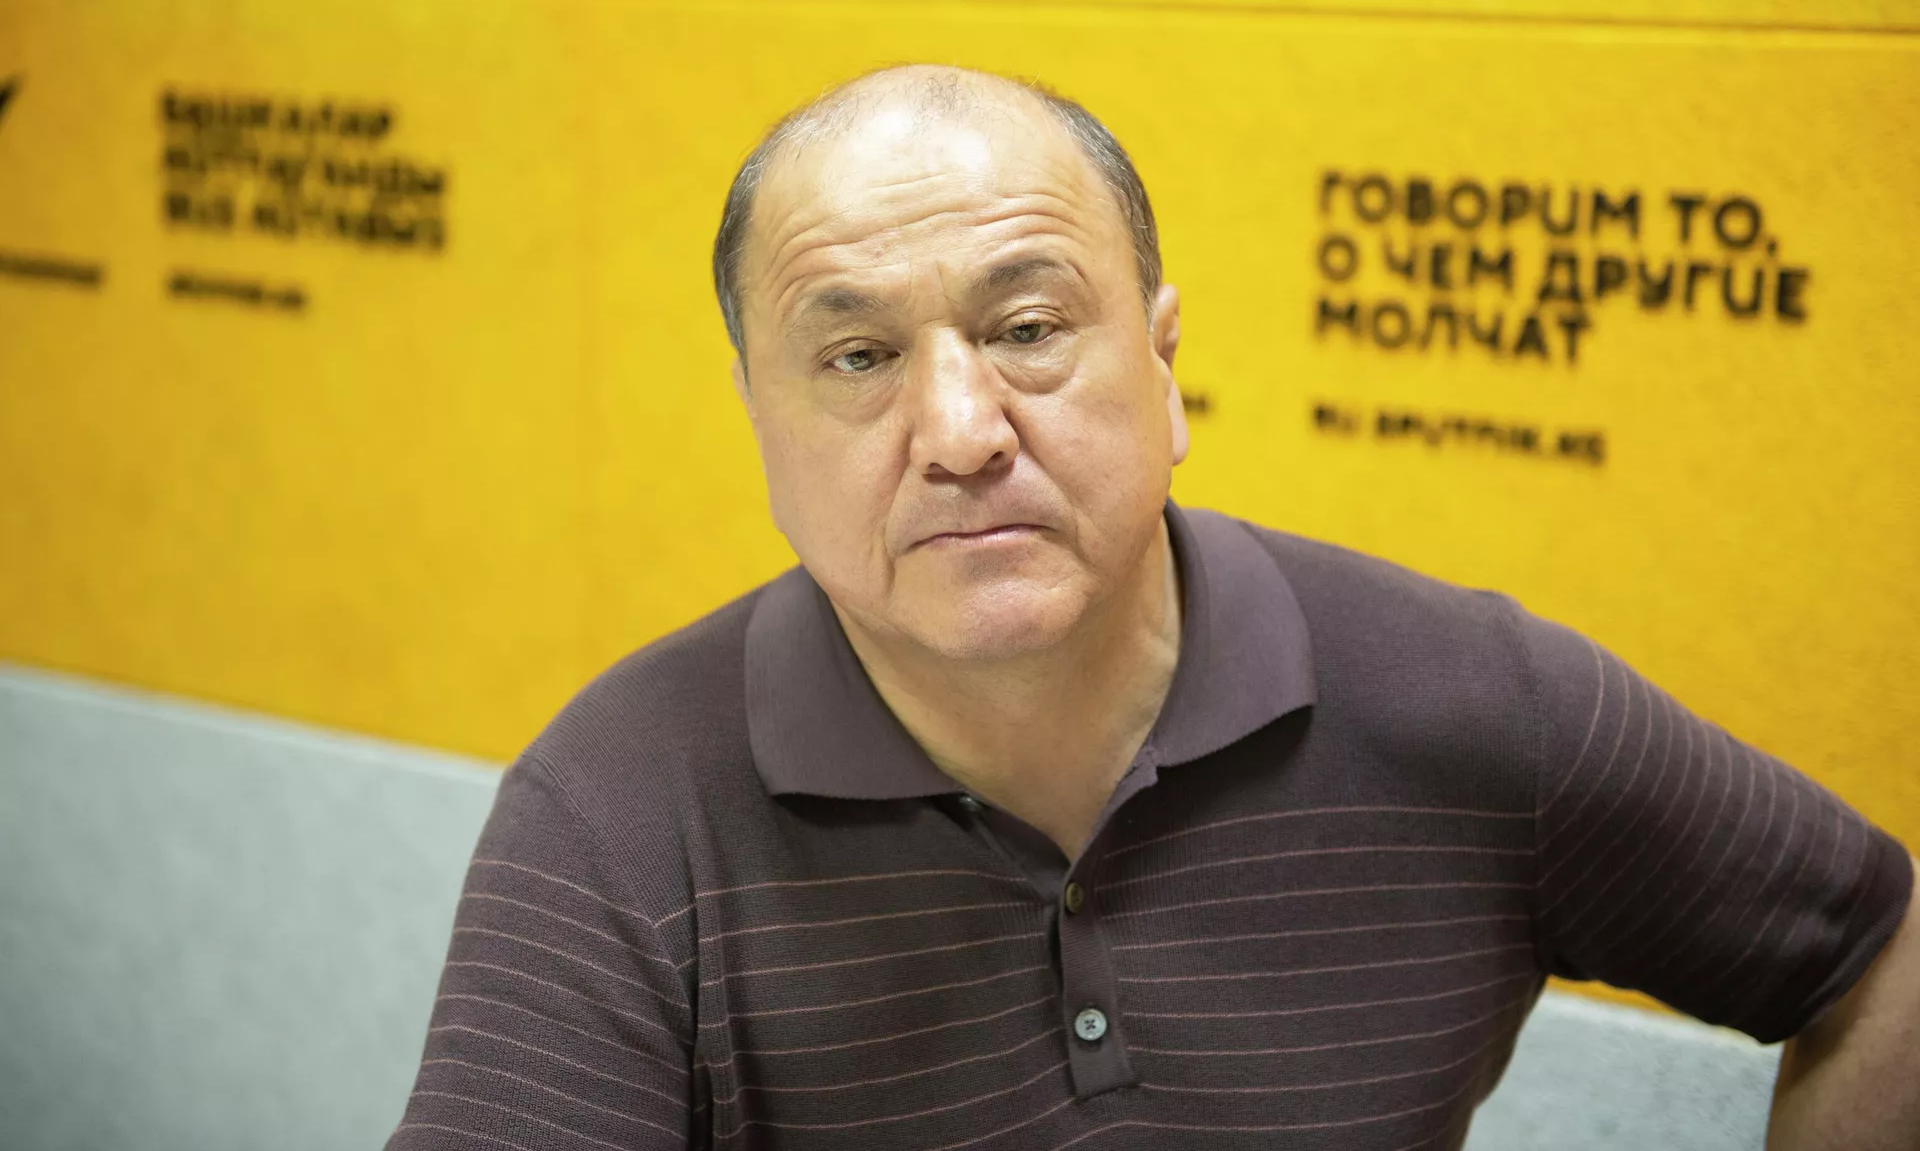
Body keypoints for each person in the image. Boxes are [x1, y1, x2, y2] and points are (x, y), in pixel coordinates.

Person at [388, 66, 1916, 1150]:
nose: (961, 431)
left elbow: (1875, 948)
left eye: (1029, 327)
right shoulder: (616, 812)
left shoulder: (1466, 699)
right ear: (757, 419)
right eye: (856, 357)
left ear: (1165, 366)